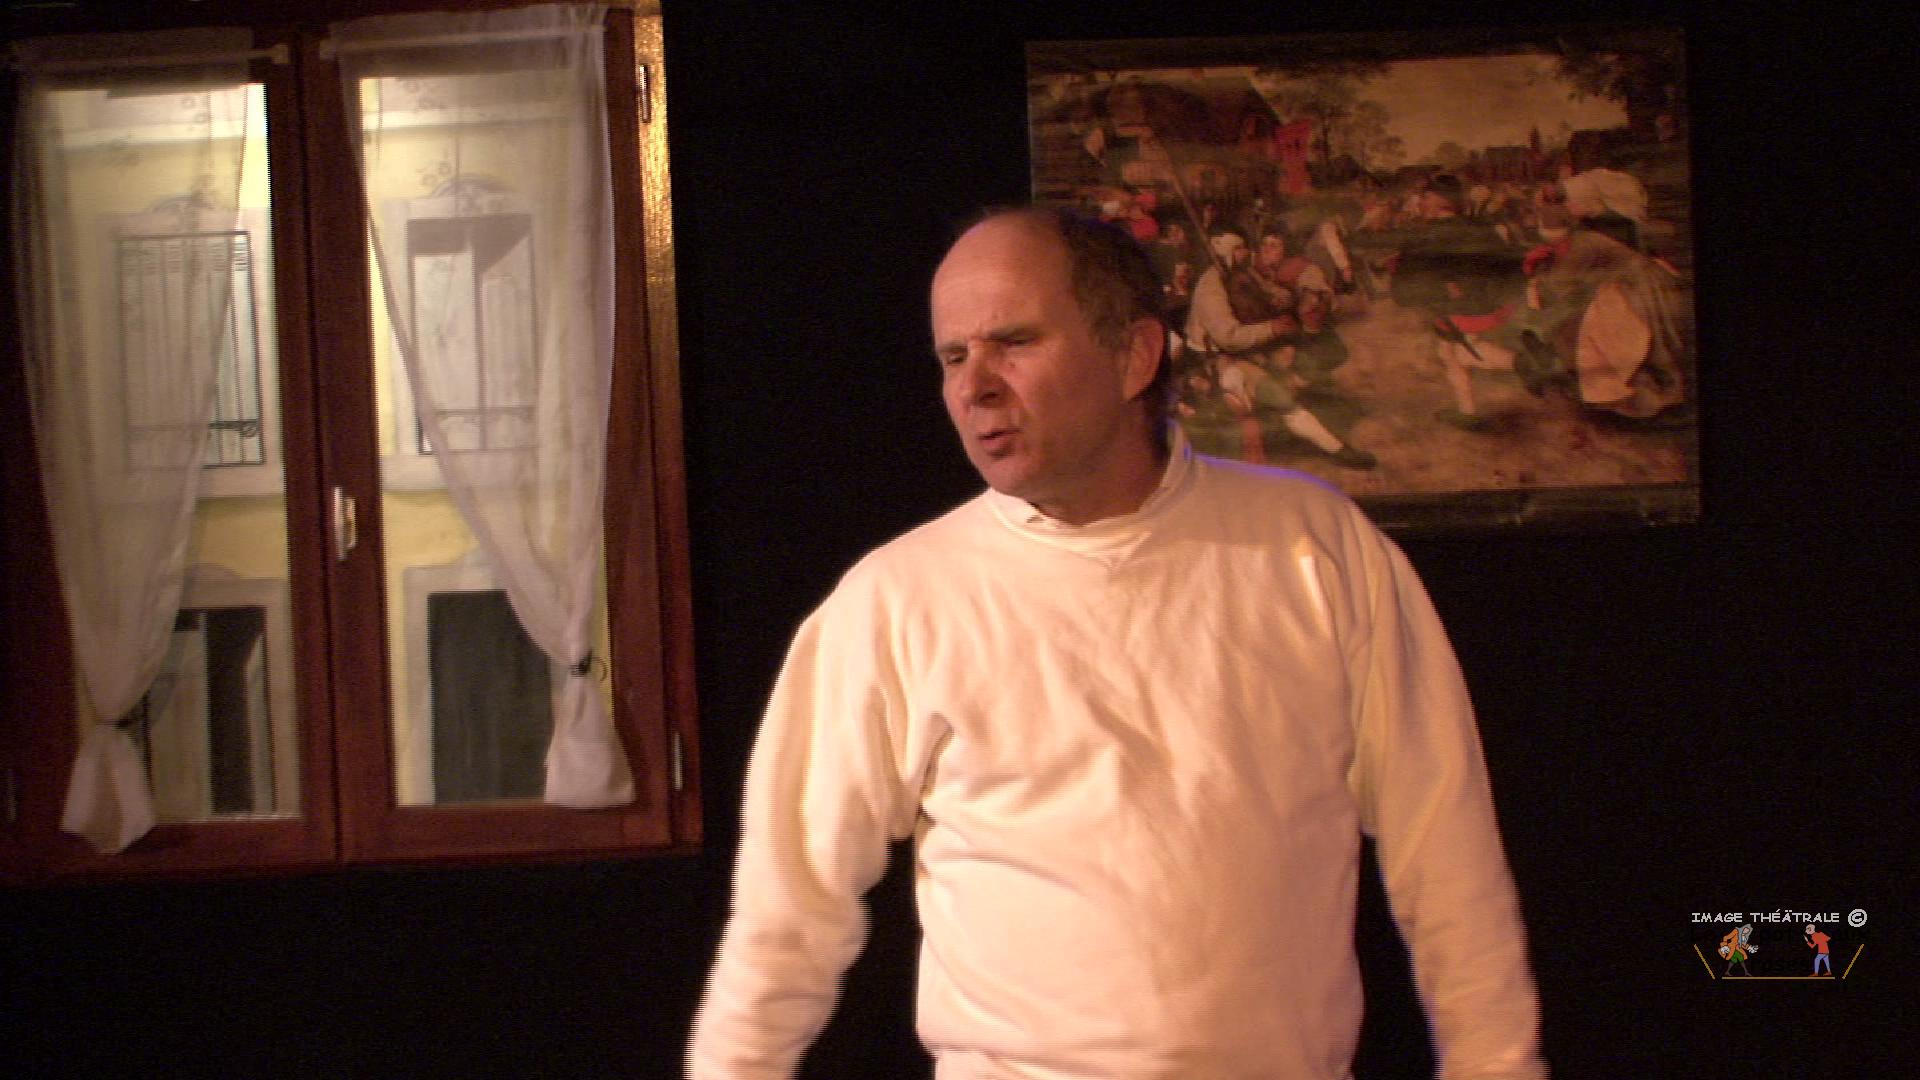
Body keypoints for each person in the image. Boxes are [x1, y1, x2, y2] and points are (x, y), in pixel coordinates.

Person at [688, 207, 1546, 1079]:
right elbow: (786, 917)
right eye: (952, 356)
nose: (974, 386)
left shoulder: (1312, 547)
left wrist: (1498, 1066)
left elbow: (1447, 852)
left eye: (1013, 343)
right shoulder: (897, 600)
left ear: (1134, 355)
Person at [1185, 228, 1376, 468]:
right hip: (1218, 358)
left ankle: (1315, 412)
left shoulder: (1240, 272)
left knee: (1308, 357)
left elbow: (1266, 292)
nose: (1246, 253)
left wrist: (1284, 299)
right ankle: (1337, 449)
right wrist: (1271, 329)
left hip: (1248, 350)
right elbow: (1228, 337)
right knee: (1277, 394)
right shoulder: (1210, 285)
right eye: (1239, 248)